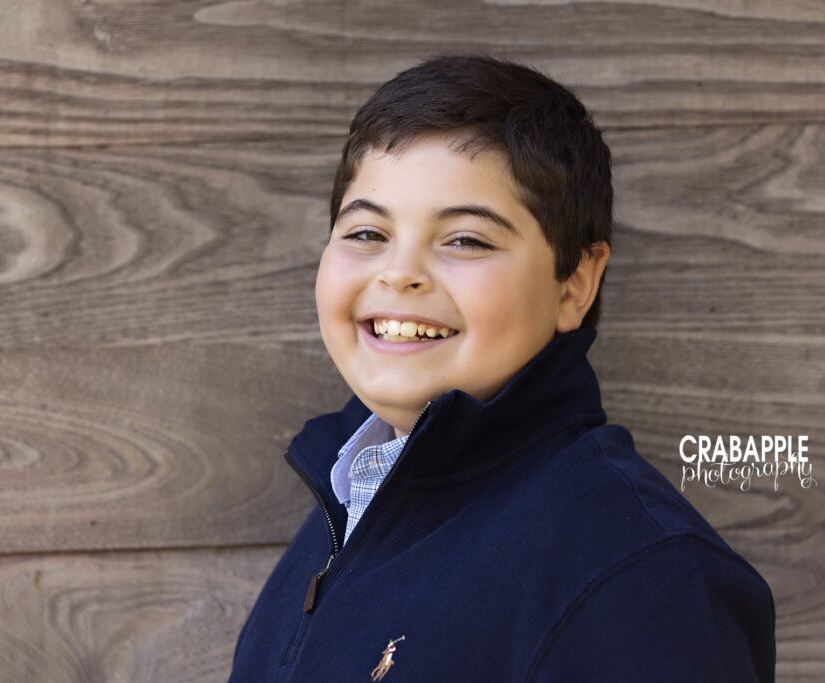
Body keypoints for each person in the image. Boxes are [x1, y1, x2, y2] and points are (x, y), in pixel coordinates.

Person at [228, 53, 776, 682]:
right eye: (366, 234)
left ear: (575, 281)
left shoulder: (644, 577)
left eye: (466, 240)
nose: (398, 272)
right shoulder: (349, 505)